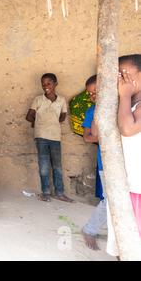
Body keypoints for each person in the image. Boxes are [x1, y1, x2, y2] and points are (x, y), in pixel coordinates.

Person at [26, 73, 74, 203]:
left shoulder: (61, 100)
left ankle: (60, 192)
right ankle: (45, 192)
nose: (46, 86)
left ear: (55, 84)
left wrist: (53, 121)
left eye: (48, 83)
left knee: (57, 166)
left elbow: (63, 116)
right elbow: (29, 116)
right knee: (44, 166)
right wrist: (37, 122)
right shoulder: (38, 100)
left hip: (55, 136)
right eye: (43, 84)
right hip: (41, 136)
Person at [80, 75, 107, 250]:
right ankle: (89, 229)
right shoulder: (92, 111)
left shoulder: (119, 106)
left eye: (96, 92)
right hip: (105, 161)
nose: (92, 96)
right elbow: (88, 137)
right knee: (109, 199)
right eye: (90, 94)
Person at [117, 55, 141, 237]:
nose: (120, 79)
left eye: (124, 74)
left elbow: (127, 129)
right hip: (131, 183)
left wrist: (124, 94)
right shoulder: (130, 104)